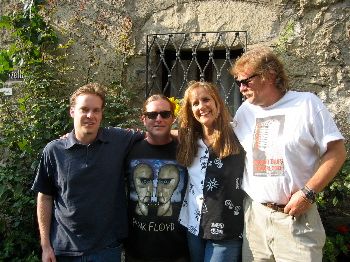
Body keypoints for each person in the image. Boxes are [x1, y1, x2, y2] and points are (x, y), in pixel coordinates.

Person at [230, 46, 347, 261]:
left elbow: (337, 152)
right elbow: (220, 140)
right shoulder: (245, 111)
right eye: (238, 82)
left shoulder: (306, 104)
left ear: (270, 75)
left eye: (246, 81)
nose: (241, 88)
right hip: (256, 218)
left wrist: (308, 193)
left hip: (295, 219)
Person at [32, 83, 142, 262]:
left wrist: (198, 136)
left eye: (96, 110)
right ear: (72, 111)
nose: (90, 115)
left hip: (107, 249)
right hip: (64, 250)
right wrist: (45, 246)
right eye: (84, 109)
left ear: (101, 113)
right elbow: (45, 197)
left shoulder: (118, 140)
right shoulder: (54, 150)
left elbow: (157, 134)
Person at [176, 81, 245, 262]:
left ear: (217, 103)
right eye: (195, 103)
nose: (202, 106)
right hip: (194, 226)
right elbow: (165, 133)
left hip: (227, 228)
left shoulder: (238, 133)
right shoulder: (190, 139)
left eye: (206, 99)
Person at [124, 94, 190, 262]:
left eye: (165, 114)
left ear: (173, 118)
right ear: (143, 119)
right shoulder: (129, 150)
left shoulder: (187, 150)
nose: (158, 119)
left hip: (178, 250)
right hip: (137, 251)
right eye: (152, 115)